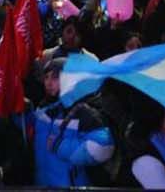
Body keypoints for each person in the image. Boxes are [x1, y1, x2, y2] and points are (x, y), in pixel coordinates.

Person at [29, 58, 115, 187]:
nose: (49, 83)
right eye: (46, 77)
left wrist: (61, 146)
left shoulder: (82, 111)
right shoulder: (43, 108)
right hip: (42, 183)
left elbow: (104, 147)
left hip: (70, 185)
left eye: (55, 78)